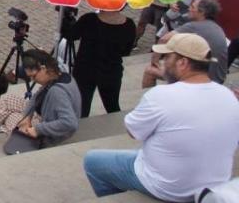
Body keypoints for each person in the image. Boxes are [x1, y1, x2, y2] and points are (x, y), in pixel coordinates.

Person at [82, 33, 239, 200]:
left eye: (167, 57)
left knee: (92, 161)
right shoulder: (229, 96)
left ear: (182, 63)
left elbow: (133, 132)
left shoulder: (161, 95)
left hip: (168, 188)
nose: (163, 61)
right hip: (213, 186)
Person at [144, 0, 229, 87]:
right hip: (218, 77)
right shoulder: (215, 27)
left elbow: (164, 39)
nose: (189, 8)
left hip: (205, 79)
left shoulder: (194, 26)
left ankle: (152, 98)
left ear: (202, 13)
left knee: (150, 71)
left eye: (192, 7)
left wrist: (155, 61)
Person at [66, 9, 136, 116]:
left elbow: (71, 35)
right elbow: (126, 51)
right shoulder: (129, 24)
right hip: (111, 71)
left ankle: (81, 132)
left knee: (82, 108)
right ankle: (117, 130)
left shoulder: (89, 19)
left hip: (85, 70)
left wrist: (66, 21)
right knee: (112, 106)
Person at [9, 50, 81, 151]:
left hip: (49, 135)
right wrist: (26, 117)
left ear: (43, 69)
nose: (33, 80)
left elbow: (70, 123)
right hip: (43, 121)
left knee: (10, 119)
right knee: (7, 101)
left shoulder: (57, 92)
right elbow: (37, 96)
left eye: (33, 76)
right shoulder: (59, 76)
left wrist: (38, 130)